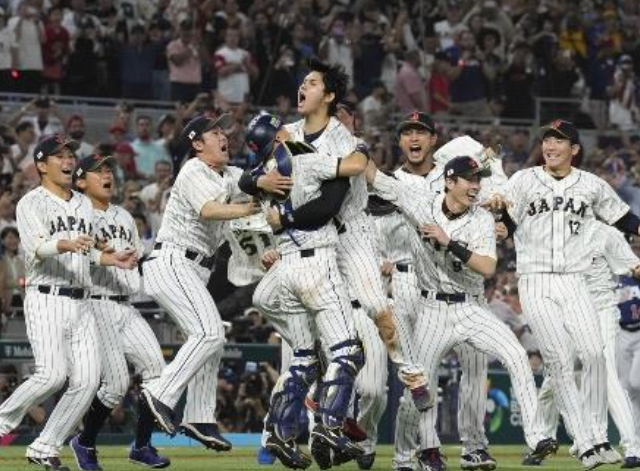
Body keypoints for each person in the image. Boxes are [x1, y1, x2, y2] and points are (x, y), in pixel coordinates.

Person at [367, 155, 559, 470]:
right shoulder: (421, 203)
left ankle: (537, 436)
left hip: (471, 307)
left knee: (515, 354)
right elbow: (376, 176)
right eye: (469, 179)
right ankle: (403, 458)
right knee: (418, 390)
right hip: (431, 310)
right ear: (449, 181)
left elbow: (487, 267)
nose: (475, 186)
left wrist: (449, 242)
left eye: (477, 180)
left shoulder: (482, 219)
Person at [484, 119, 640, 468]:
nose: (551, 146)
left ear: (575, 149)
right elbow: (508, 219)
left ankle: (597, 436)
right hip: (536, 279)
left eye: (559, 141)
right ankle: (586, 443)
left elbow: (625, 219)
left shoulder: (592, 185)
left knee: (595, 356)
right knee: (559, 360)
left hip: (574, 281)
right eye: (547, 140)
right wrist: (500, 228)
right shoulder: (524, 179)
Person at [284, 57, 432, 421]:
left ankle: (412, 374)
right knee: (308, 318)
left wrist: (425, 218)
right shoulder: (287, 131)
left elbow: (376, 181)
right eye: (303, 82)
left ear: (329, 96)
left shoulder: (347, 141)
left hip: (351, 236)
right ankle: (314, 395)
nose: (303, 87)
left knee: (377, 307)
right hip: (308, 236)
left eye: (313, 83)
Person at [239, 112, 371, 469]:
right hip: (316, 263)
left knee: (304, 358)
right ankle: (329, 426)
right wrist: (358, 145)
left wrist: (255, 180)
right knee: (347, 352)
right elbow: (353, 170)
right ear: (278, 132)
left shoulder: (263, 174)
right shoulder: (303, 155)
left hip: (283, 270)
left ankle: (278, 433)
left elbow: (243, 181)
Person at [0, 134, 136, 470]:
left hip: (83, 300)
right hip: (47, 297)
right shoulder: (31, 202)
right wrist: (65, 243)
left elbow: (88, 252)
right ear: (42, 165)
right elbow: (36, 248)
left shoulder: (83, 204)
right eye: (59, 155)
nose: (68, 160)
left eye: (70, 154)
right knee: (51, 375)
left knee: (88, 381)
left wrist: (111, 260)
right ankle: (2, 422)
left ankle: (46, 446)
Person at [140, 114, 259, 452]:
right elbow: (210, 209)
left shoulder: (230, 174)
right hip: (172, 260)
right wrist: (251, 206)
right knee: (209, 333)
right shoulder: (193, 169)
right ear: (197, 144)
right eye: (216, 132)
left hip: (196, 269)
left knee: (211, 339)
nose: (225, 136)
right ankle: (160, 395)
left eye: (225, 131)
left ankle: (200, 417)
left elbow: (255, 181)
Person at [69, 154, 169, 470]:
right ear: (81, 180)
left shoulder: (125, 215)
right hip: (96, 302)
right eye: (99, 171)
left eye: (109, 169)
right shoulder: (76, 214)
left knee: (157, 373)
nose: (107, 173)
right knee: (115, 385)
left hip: (128, 305)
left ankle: (141, 446)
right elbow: (76, 257)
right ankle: (84, 442)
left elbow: (138, 257)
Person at [524, 221, 640, 468]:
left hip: (601, 309)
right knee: (553, 379)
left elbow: (634, 266)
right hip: (570, 311)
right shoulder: (557, 230)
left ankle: (633, 447)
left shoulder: (607, 233)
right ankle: (542, 442)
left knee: (606, 376)